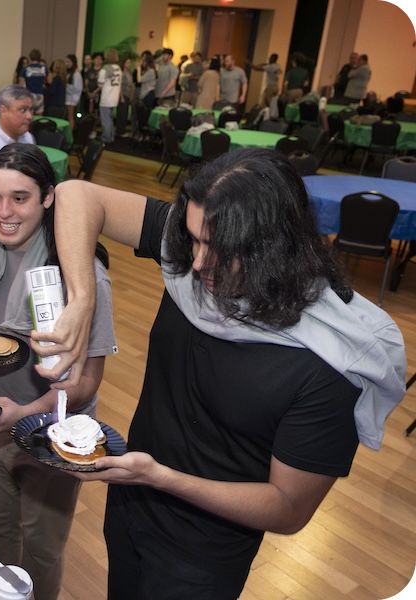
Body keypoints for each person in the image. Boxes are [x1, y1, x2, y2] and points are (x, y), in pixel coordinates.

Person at [35, 148, 405, 598]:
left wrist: (161, 477)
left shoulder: (332, 364)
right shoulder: (203, 250)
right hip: (132, 502)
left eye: (218, 249)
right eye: (193, 239)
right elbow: (77, 194)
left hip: (203, 554)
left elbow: (289, 509)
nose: (195, 263)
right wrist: (82, 300)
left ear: (275, 249)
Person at [0, 143, 115, 600]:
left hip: (51, 436)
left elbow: (86, 383)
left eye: (19, 198)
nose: (3, 212)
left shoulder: (80, 275)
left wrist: (25, 413)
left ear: (48, 198)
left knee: (42, 553)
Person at [98, 49, 123, 145]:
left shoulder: (105, 69)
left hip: (106, 98)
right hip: (114, 97)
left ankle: (106, 138)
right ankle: (111, 136)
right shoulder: (118, 68)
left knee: (106, 120)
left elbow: (100, 84)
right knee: (110, 118)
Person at [19, 49, 48, 114]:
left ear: (30, 57)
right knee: (39, 118)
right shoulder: (44, 69)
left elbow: (21, 86)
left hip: (29, 95)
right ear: (40, 57)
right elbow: (48, 81)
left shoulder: (25, 69)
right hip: (40, 95)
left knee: (28, 116)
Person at [64, 54, 83, 128]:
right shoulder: (68, 72)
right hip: (67, 97)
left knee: (70, 117)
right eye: (66, 62)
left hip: (72, 98)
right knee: (67, 116)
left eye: (68, 62)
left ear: (73, 62)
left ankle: (70, 134)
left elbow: (77, 88)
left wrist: (66, 86)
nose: (66, 64)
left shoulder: (76, 74)